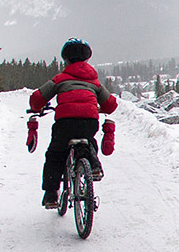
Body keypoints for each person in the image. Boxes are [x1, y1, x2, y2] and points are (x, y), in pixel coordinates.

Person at [29, 39, 118, 208]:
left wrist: (36, 108)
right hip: (90, 121)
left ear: (66, 60)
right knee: (88, 140)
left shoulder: (60, 79)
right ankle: (93, 165)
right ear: (86, 60)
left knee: (55, 155)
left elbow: (37, 99)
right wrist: (97, 107)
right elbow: (111, 105)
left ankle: (51, 195)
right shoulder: (94, 82)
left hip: (65, 122)